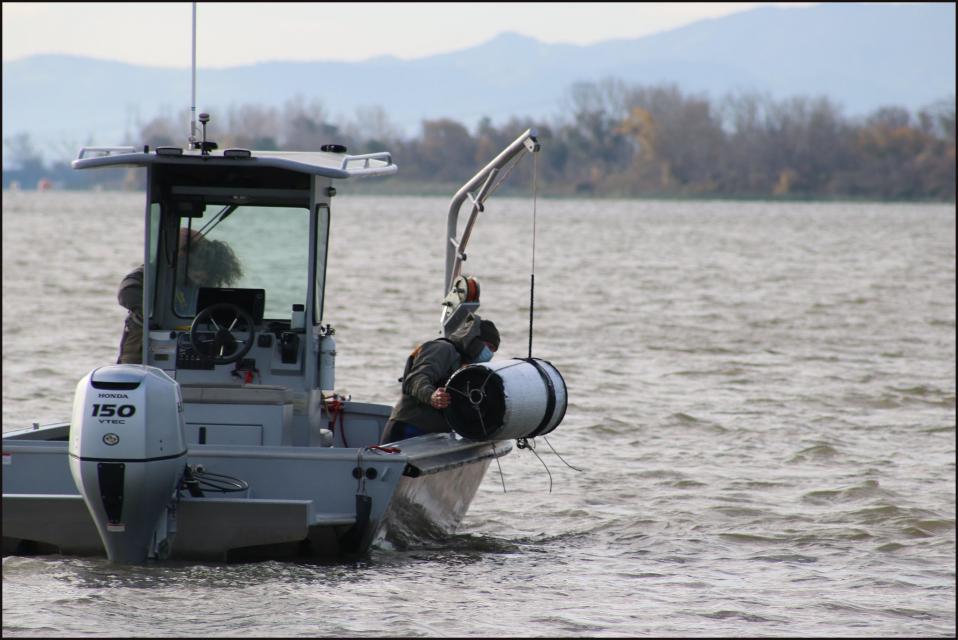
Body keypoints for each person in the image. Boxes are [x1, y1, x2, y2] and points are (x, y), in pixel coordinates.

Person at [116, 228, 242, 364]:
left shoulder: (205, 287)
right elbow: (127, 292)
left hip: (195, 353)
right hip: (142, 354)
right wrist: (157, 314)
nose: (201, 275)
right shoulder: (151, 273)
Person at [381, 313, 500, 442]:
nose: (490, 354)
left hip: (436, 435)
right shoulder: (442, 349)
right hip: (409, 428)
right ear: (475, 340)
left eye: (493, 351)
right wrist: (432, 396)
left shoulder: (466, 365)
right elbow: (416, 379)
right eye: (489, 347)